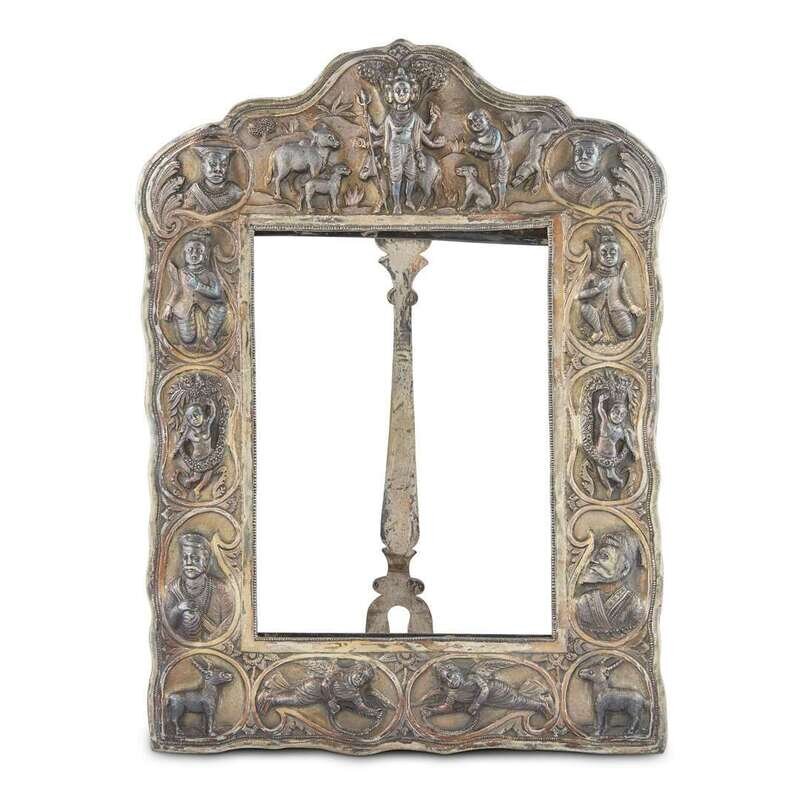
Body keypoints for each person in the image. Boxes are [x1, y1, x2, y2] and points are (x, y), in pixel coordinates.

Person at [575, 529, 645, 638]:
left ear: (624, 569)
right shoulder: (583, 601)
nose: (593, 560)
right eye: (595, 555)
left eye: (604, 556)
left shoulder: (634, 605)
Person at [165, 532, 233, 640]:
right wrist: (178, 609)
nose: (189, 563)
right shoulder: (174, 589)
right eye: (185, 558)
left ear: (205, 561)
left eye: (195, 558)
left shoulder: (221, 590)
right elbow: (166, 626)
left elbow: (230, 626)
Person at [553, 136, 614, 206]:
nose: (583, 157)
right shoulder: (560, 180)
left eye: (589, 152)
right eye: (578, 152)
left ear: (599, 157)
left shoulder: (603, 185)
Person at [183, 145, 243, 213]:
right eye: (212, 164)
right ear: (203, 167)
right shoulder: (194, 192)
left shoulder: (235, 191)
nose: (218, 169)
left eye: (223, 165)